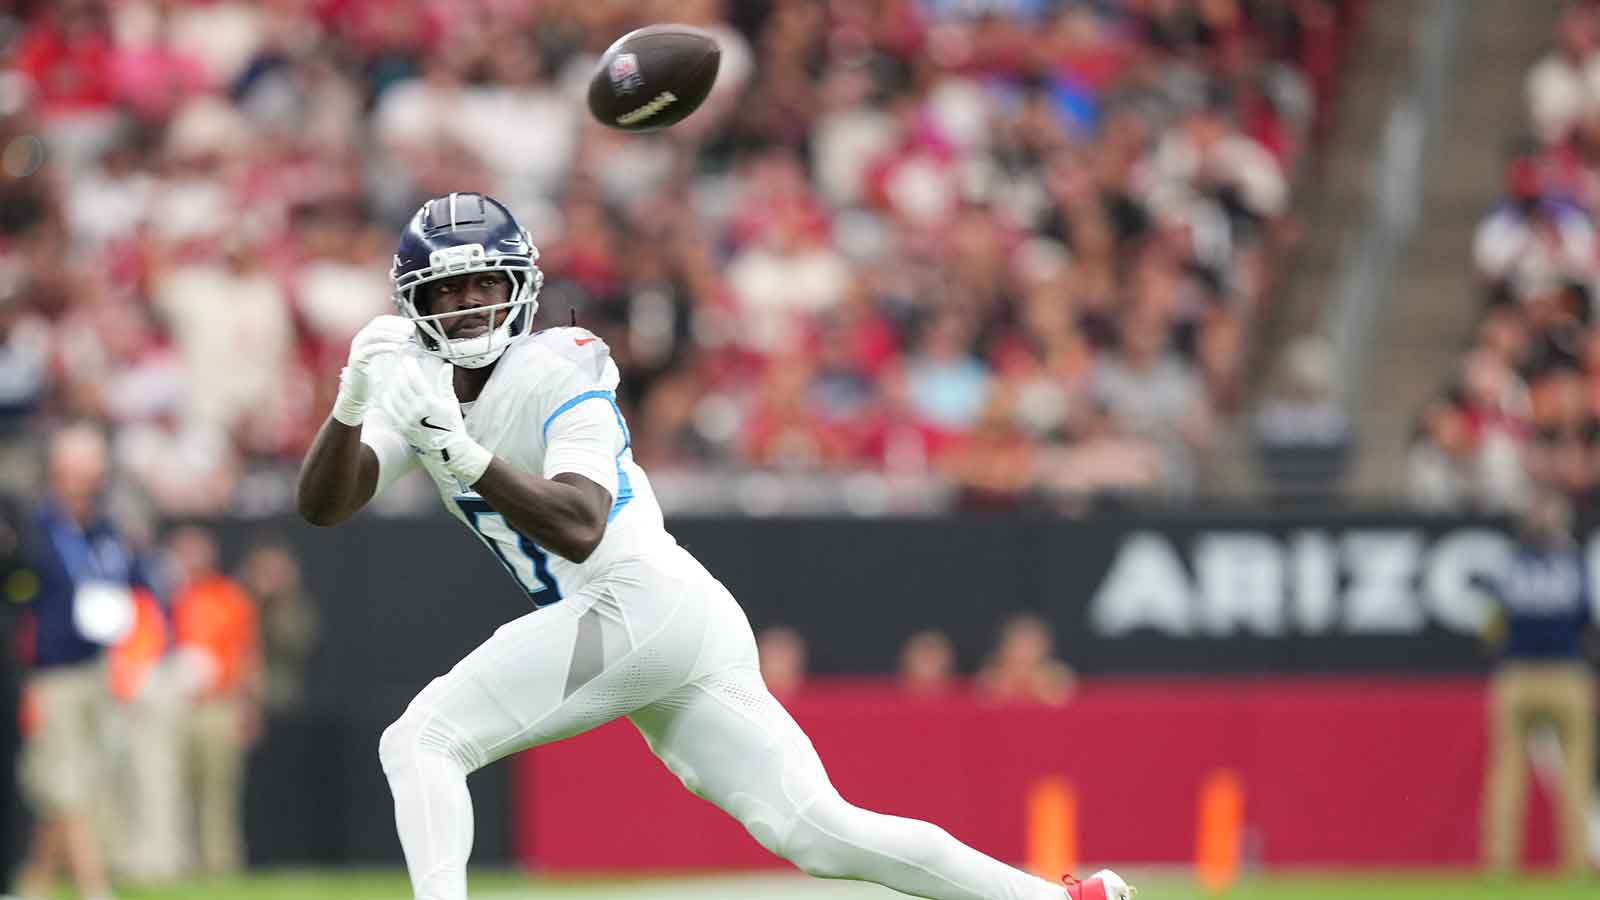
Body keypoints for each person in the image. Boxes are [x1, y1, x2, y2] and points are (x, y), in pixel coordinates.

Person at [296, 193, 1133, 900]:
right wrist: (350, 402)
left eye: (487, 282)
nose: (472, 304)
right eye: (450, 290)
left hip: (637, 597)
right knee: (815, 830)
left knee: (422, 739)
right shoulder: (423, 391)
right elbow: (327, 505)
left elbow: (582, 522)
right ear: (418, 305)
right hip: (661, 616)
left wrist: (463, 457)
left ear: (523, 286)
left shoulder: (559, 364)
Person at [14, 424, 138, 900]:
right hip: (51, 672)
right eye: (76, 465)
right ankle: (93, 886)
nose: (85, 476)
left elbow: (127, 582)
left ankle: (36, 882)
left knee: (82, 778)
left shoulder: (106, 528)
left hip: (96, 665)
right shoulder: (34, 525)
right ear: (57, 469)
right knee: (68, 782)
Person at [1480, 492, 1597, 875]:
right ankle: (1576, 864)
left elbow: (1491, 627)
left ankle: (1500, 866)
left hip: (1517, 676)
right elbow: (1585, 624)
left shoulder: (1510, 565)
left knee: (1507, 775)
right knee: (1575, 773)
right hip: (1566, 675)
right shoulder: (1572, 563)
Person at [168, 525, 260, 875]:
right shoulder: (167, 597)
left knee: (218, 792)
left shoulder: (229, 597)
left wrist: (246, 708)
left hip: (218, 707)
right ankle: (178, 863)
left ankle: (220, 865)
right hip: (175, 704)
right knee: (173, 787)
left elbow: (248, 655)